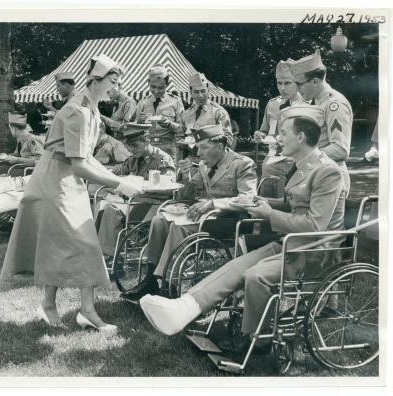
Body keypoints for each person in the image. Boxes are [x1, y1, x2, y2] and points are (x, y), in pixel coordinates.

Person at [139, 105, 346, 344]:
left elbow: (315, 226)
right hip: (290, 242)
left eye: (284, 133)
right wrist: (263, 201)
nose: (278, 138)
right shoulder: (304, 165)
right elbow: (293, 205)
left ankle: (256, 339)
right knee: (236, 266)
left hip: (315, 251)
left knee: (255, 276)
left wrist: (268, 214)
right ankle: (182, 309)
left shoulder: (327, 171)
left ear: (300, 137)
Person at [0, 54, 144, 332]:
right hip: (54, 181)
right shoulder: (77, 111)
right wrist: (118, 185)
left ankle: (73, 309)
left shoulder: (91, 109)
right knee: (84, 243)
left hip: (66, 180)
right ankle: (72, 309)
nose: (115, 87)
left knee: (67, 243)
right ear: (95, 79)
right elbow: (79, 163)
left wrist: (118, 178)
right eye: (112, 81)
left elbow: (86, 157)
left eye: (117, 81)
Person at [121, 124, 258, 301]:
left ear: (220, 146)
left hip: (228, 221)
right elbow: (187, 195)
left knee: (179, 228)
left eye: (203, 147)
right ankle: (150, 279)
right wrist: (185, 175)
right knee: (159, 220)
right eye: (197, 148)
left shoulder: (242, 164)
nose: (198, 153)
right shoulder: (203, 164)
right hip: (204, 218)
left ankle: (167, 282)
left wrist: (213, 203)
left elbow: (249, 199)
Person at [97, 123, 176, 260]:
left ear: (147, 140)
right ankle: (103, 250)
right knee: (102, 206)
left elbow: (169, 185)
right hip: (134, 201)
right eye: (128, 146)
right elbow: (119, 171)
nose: (131, 150)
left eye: (134, 146)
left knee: (112, 210)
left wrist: (138, 182)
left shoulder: (162, 159)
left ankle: (109, 255)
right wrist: (110, 174)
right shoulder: (133, 159)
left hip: (154, 203)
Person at [290, 49, 353, 195]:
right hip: (318, 174)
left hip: (332, 178)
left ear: (315, 81)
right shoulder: (316, 102)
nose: (297, 90)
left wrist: (305, 157)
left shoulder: (334, 104)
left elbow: (340, 149)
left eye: (299, 84)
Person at [253, 60, 306, 198]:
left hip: (295, 163)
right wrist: (260, 135)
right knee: (266, 203)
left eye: (288, 83)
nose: (283, 88)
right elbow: (265, 131)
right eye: (279, 83)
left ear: (298, 82)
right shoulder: (272, 104)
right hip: (271, 163)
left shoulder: (308, 105)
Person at [135, 64, 184, 160]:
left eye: (161, 87)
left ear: (167, 84)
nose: (156, 91)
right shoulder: (143, 103)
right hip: (147, 148)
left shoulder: (175, 102)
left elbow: (182, 129)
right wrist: (139, 122)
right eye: (153, 87)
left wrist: (169, 124)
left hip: (168, 148)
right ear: (148, 83)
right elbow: (134, 130)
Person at [181, 72, 236, 150]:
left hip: (211, 158)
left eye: (203, 91)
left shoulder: (219, 112)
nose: (200, 95)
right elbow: (180, 137)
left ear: (208, 91)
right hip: (191, 158)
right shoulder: (186, 114)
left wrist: (208, 138)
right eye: (196, 92)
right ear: (191, 93)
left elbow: (228, 139)